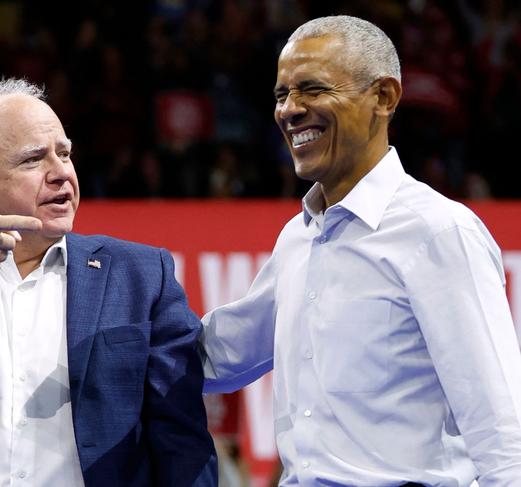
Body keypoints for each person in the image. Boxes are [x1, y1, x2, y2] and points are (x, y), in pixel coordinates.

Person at [200, 15, 521, 486]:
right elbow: (221, 355)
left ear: (384, 97)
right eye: (281, 94)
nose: (289, 110)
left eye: (312, 89)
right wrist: (94, 335)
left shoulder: (438, 231)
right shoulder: (299, 237)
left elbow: (502, 429)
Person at [0, 78, 217, 486]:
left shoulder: (142, 275)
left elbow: (181, 439)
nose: (61, 173)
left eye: (65, 153)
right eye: (34, 159)